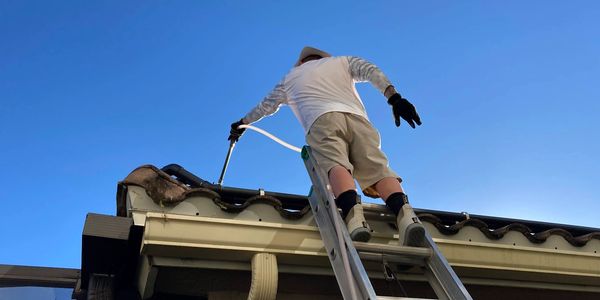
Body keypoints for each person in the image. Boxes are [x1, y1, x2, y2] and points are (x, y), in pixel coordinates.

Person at [228, 46, 424, 246]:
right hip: (358, 119)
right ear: (322, 57)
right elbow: (371, 70)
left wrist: (242, 123)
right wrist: (394, 98)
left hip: (321, 120)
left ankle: (355, 219)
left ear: (302, 62)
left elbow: (265, 106)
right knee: (378, 168)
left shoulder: (291, 77)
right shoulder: (342, 61)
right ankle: (406, 216)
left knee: (336, 164)